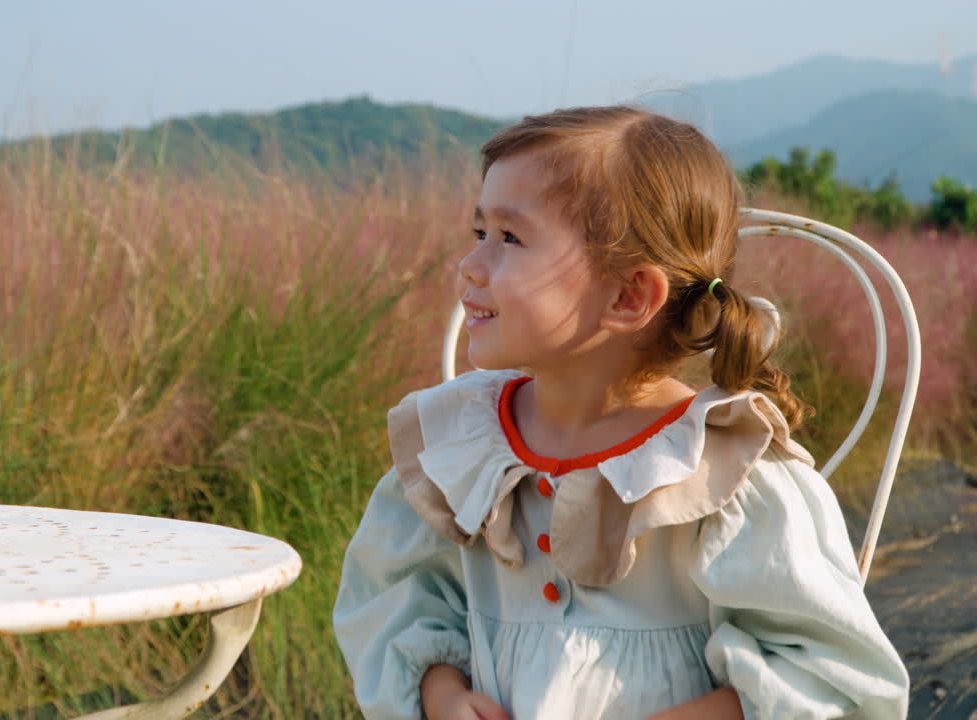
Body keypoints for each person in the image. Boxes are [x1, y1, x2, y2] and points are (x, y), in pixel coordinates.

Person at [332, 106, 909, 720]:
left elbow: (824, 678)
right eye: (480, 234)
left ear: (628, 296)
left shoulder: (717, 479)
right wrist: (442, 694)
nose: (469, 266)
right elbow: (402, 602)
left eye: (510, 238)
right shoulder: (463, 450)